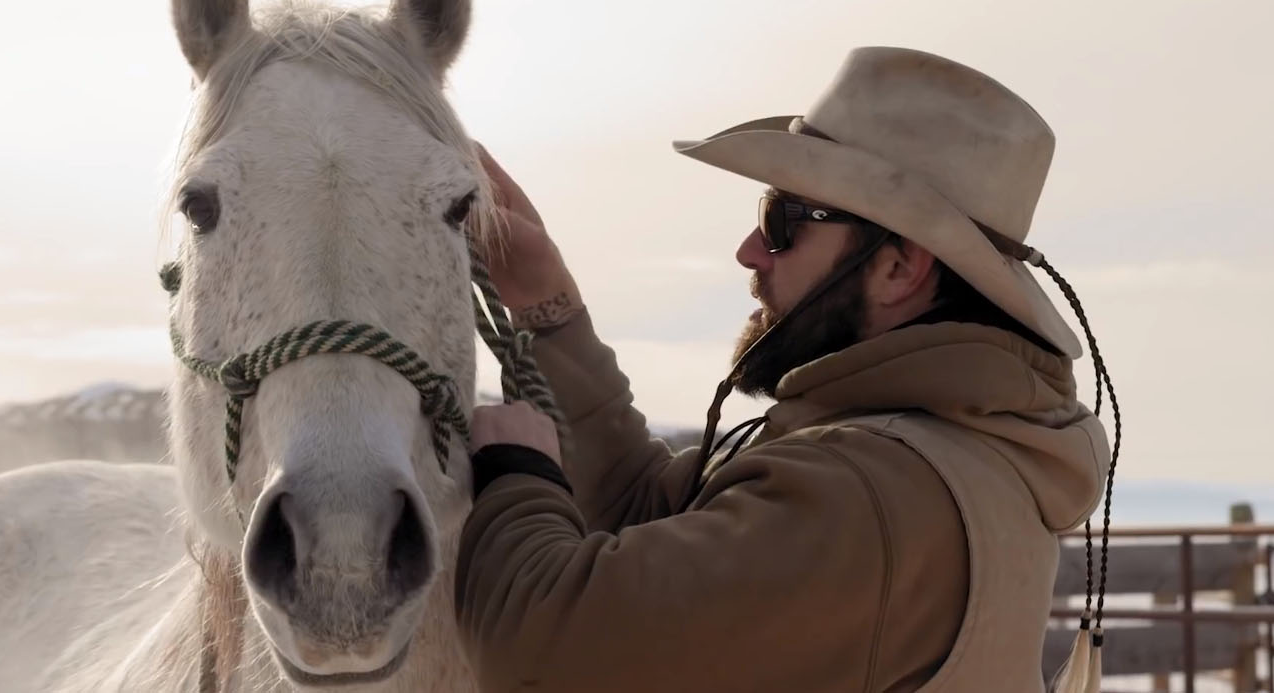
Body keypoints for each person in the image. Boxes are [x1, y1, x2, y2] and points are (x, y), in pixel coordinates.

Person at [456, 46, 1115, 692]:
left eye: (782, 221)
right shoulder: (947, 456)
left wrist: (517, 469)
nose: (750, 251)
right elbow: (644, 515)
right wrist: (552, 312)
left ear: (896, 267)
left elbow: (539, 652)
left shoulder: (864, 491)